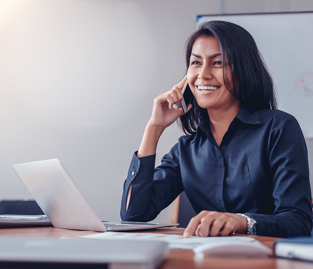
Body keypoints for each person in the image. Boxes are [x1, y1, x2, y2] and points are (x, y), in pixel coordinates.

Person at [120, 20, 312, 238]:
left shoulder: (278, 129)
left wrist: (242, 221)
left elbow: (298, 221)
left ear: (243, 70)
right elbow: (133, 214)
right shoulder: (187, 149)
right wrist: (154, 128)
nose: (203, 74)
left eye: (218, 63)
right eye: (196, 63)